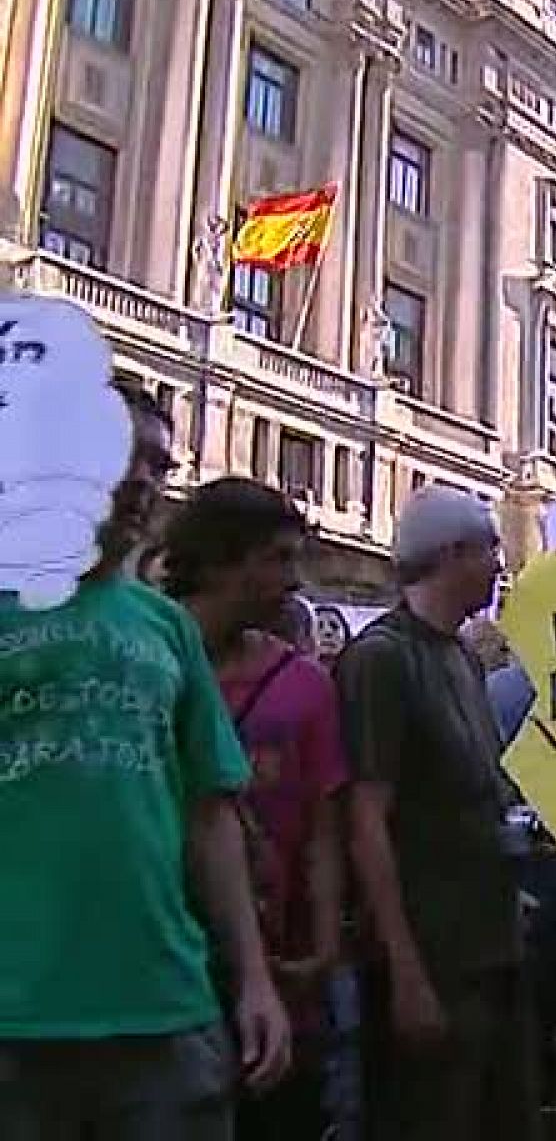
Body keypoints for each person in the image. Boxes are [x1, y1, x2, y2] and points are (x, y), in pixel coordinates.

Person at [0, 379, 291, 1136]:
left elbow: (211, 815)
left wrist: (255, 979)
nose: (140, 480)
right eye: (118, 453)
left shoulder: (167, 629)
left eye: (159, 466)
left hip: (165, 1011)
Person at [336, 486, 535, 1139]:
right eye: (490, 551)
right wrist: (405, 970)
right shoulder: (382, 659)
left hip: (491, 949)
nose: (501, 566)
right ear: (451, 555)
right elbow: (366, 820)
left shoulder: (463, 658)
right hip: (431, 957)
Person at [164, 478, 350, 1139]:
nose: (292, 582)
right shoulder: (148, 661)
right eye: (276, 559)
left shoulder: (306, 686)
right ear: (220, 560)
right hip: (164, 967)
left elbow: (325, 827)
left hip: (282, 969)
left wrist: (324, 942)